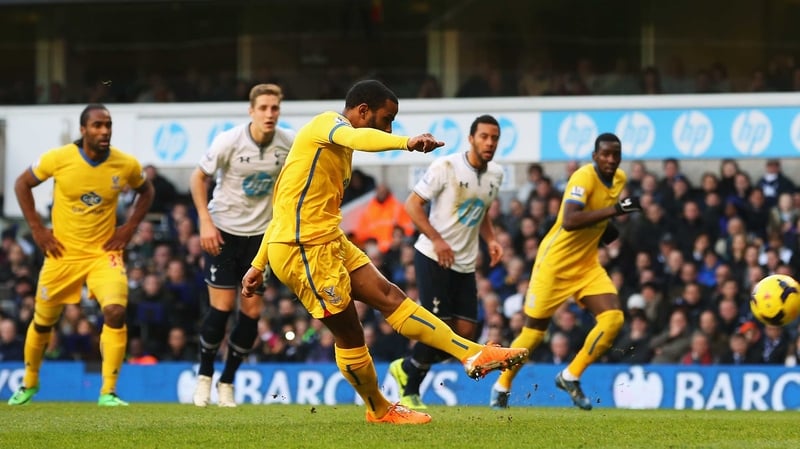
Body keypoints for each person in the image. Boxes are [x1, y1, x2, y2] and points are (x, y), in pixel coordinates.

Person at [241, 79, 527, 424]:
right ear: (363, 111)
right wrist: (405, 142)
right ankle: (378, 409)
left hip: (328, 241)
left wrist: (258, 265)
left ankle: (473, 354)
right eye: (386, 118)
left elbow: (283, 206)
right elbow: (359, 137)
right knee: (350, 334)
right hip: (301, 250)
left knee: (390, 295)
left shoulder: (334, 153)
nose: (389, 127)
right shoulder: (326, 125)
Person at [9, 103, 155, 406]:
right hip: (63, 253)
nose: (104, 131)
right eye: (98, 125)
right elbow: (22, 183)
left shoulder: (124, 164)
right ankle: (29, 384)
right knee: (42, 322)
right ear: (83, 129)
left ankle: (108, 391)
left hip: (104, 253)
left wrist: (129, 228)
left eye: (108, 125)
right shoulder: (58, 159)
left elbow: (147, 191)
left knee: (115, 311)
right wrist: (37, 229)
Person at [490, 132, 640, 411]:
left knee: (614, 319)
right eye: (604, 154)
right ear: (595, 156)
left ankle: (570, 375)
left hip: (586, 265)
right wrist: (616, 211)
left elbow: (598, 214)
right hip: (555, 265)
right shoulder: (583, 177)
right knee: (533, 335)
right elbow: (570, 221)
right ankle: (502, 385)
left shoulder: (619, 180)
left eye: (615, 155)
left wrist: (609, 230)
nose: (610, 159)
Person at [388, 114, 505, 409]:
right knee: (437, 327)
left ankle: (407, 367)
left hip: (464, 263)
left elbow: (483, 209)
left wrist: (490, 239)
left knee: (465, 334)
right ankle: (410, 389)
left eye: (494, 138)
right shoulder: (447, 166)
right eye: (484, 137)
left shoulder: (496, 174)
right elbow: (412, 205)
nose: (489, 142)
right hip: (432, 256)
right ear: (471, 139)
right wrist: (438, 240)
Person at [189, 83, 294, 408]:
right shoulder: (229, 141)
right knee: (220, 312)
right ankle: (205, 376)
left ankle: (228, 382)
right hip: (224, 233)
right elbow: (198, 178)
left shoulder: (288, 143)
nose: (269, 114)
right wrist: (205, 221)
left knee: (251, 314)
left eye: (274, 108)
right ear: (251, 111)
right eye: (263, 108)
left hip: (262, 240)